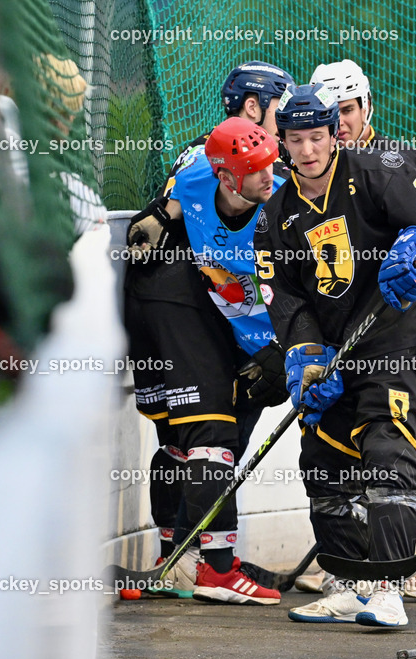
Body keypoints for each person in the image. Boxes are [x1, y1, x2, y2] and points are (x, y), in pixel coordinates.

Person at [254, 83, 416, 627]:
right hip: (334, 355)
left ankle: (387, 587)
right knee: (322, 462)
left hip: (393, 341)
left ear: (333, 134)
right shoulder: (274, 217)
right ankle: (348, 583)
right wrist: (304, 358)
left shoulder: (377, 171)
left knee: (388, 450)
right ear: (282, 142)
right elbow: (286, 298)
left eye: (316, 137)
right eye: (295, 140)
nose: (307, 150)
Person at [308, 59, 416, 599]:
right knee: (348, 439)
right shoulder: (314, 174)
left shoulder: (392, 160)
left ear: (367, 107)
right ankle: (361, 557)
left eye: (349, 109)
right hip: (363, 332)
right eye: (333, 112)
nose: (342, 121)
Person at [123, 113, 289, 605]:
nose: (269, 175)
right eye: (256, 169)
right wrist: (155, 219)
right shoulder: (197, 175)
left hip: (269, 337)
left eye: (271, 164)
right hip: (210, 320)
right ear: (225, 177)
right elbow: (167, 209)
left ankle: (187, 560)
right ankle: (208, 565)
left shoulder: (284, 204)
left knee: (202, 440)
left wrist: (289, 349)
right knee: (201, 438)